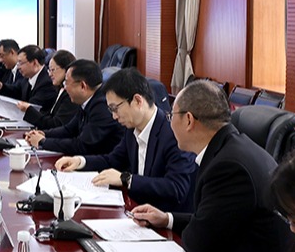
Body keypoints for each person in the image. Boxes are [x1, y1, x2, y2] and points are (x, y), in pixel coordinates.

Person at [130, 80, 289, 252]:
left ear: (188, 120)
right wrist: (167, 219)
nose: (169, 122)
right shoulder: (229, 149)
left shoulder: (228, 167)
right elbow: (210, 218)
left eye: (171, 115)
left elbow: (197, 241)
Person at [55, 67, 195, 212]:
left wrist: (127, 179)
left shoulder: (173, 134)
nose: (114, 116)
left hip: (163, 218)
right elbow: (112, 160)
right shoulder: (131, 129)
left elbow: (176, 187)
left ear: (137, 101)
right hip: (135, 211)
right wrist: (80, 161)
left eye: (115, 108)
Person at [24, 59, 122, 156]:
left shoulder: (102, 106)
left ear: (82, 86)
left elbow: (82, 145)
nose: (64, 87)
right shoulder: (86, 100)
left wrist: (43, 142)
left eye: (66, 83)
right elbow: (69, 130)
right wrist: (43, 134)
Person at [17, 50, 80, 129]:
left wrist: (29, 110)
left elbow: (56, 124)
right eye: (49, 70)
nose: (50, 74)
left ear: (66, 70)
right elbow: (50, 116)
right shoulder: (59, 89)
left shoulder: (70, 95)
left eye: (53, 70)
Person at [0, 44, 56, 109]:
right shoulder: (27, 78)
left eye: (20, 63)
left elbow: (30, 108)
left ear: (34, 63)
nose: (18, 67)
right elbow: (15, 91)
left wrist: (1, 105)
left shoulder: (47, 82)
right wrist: (1, 86)